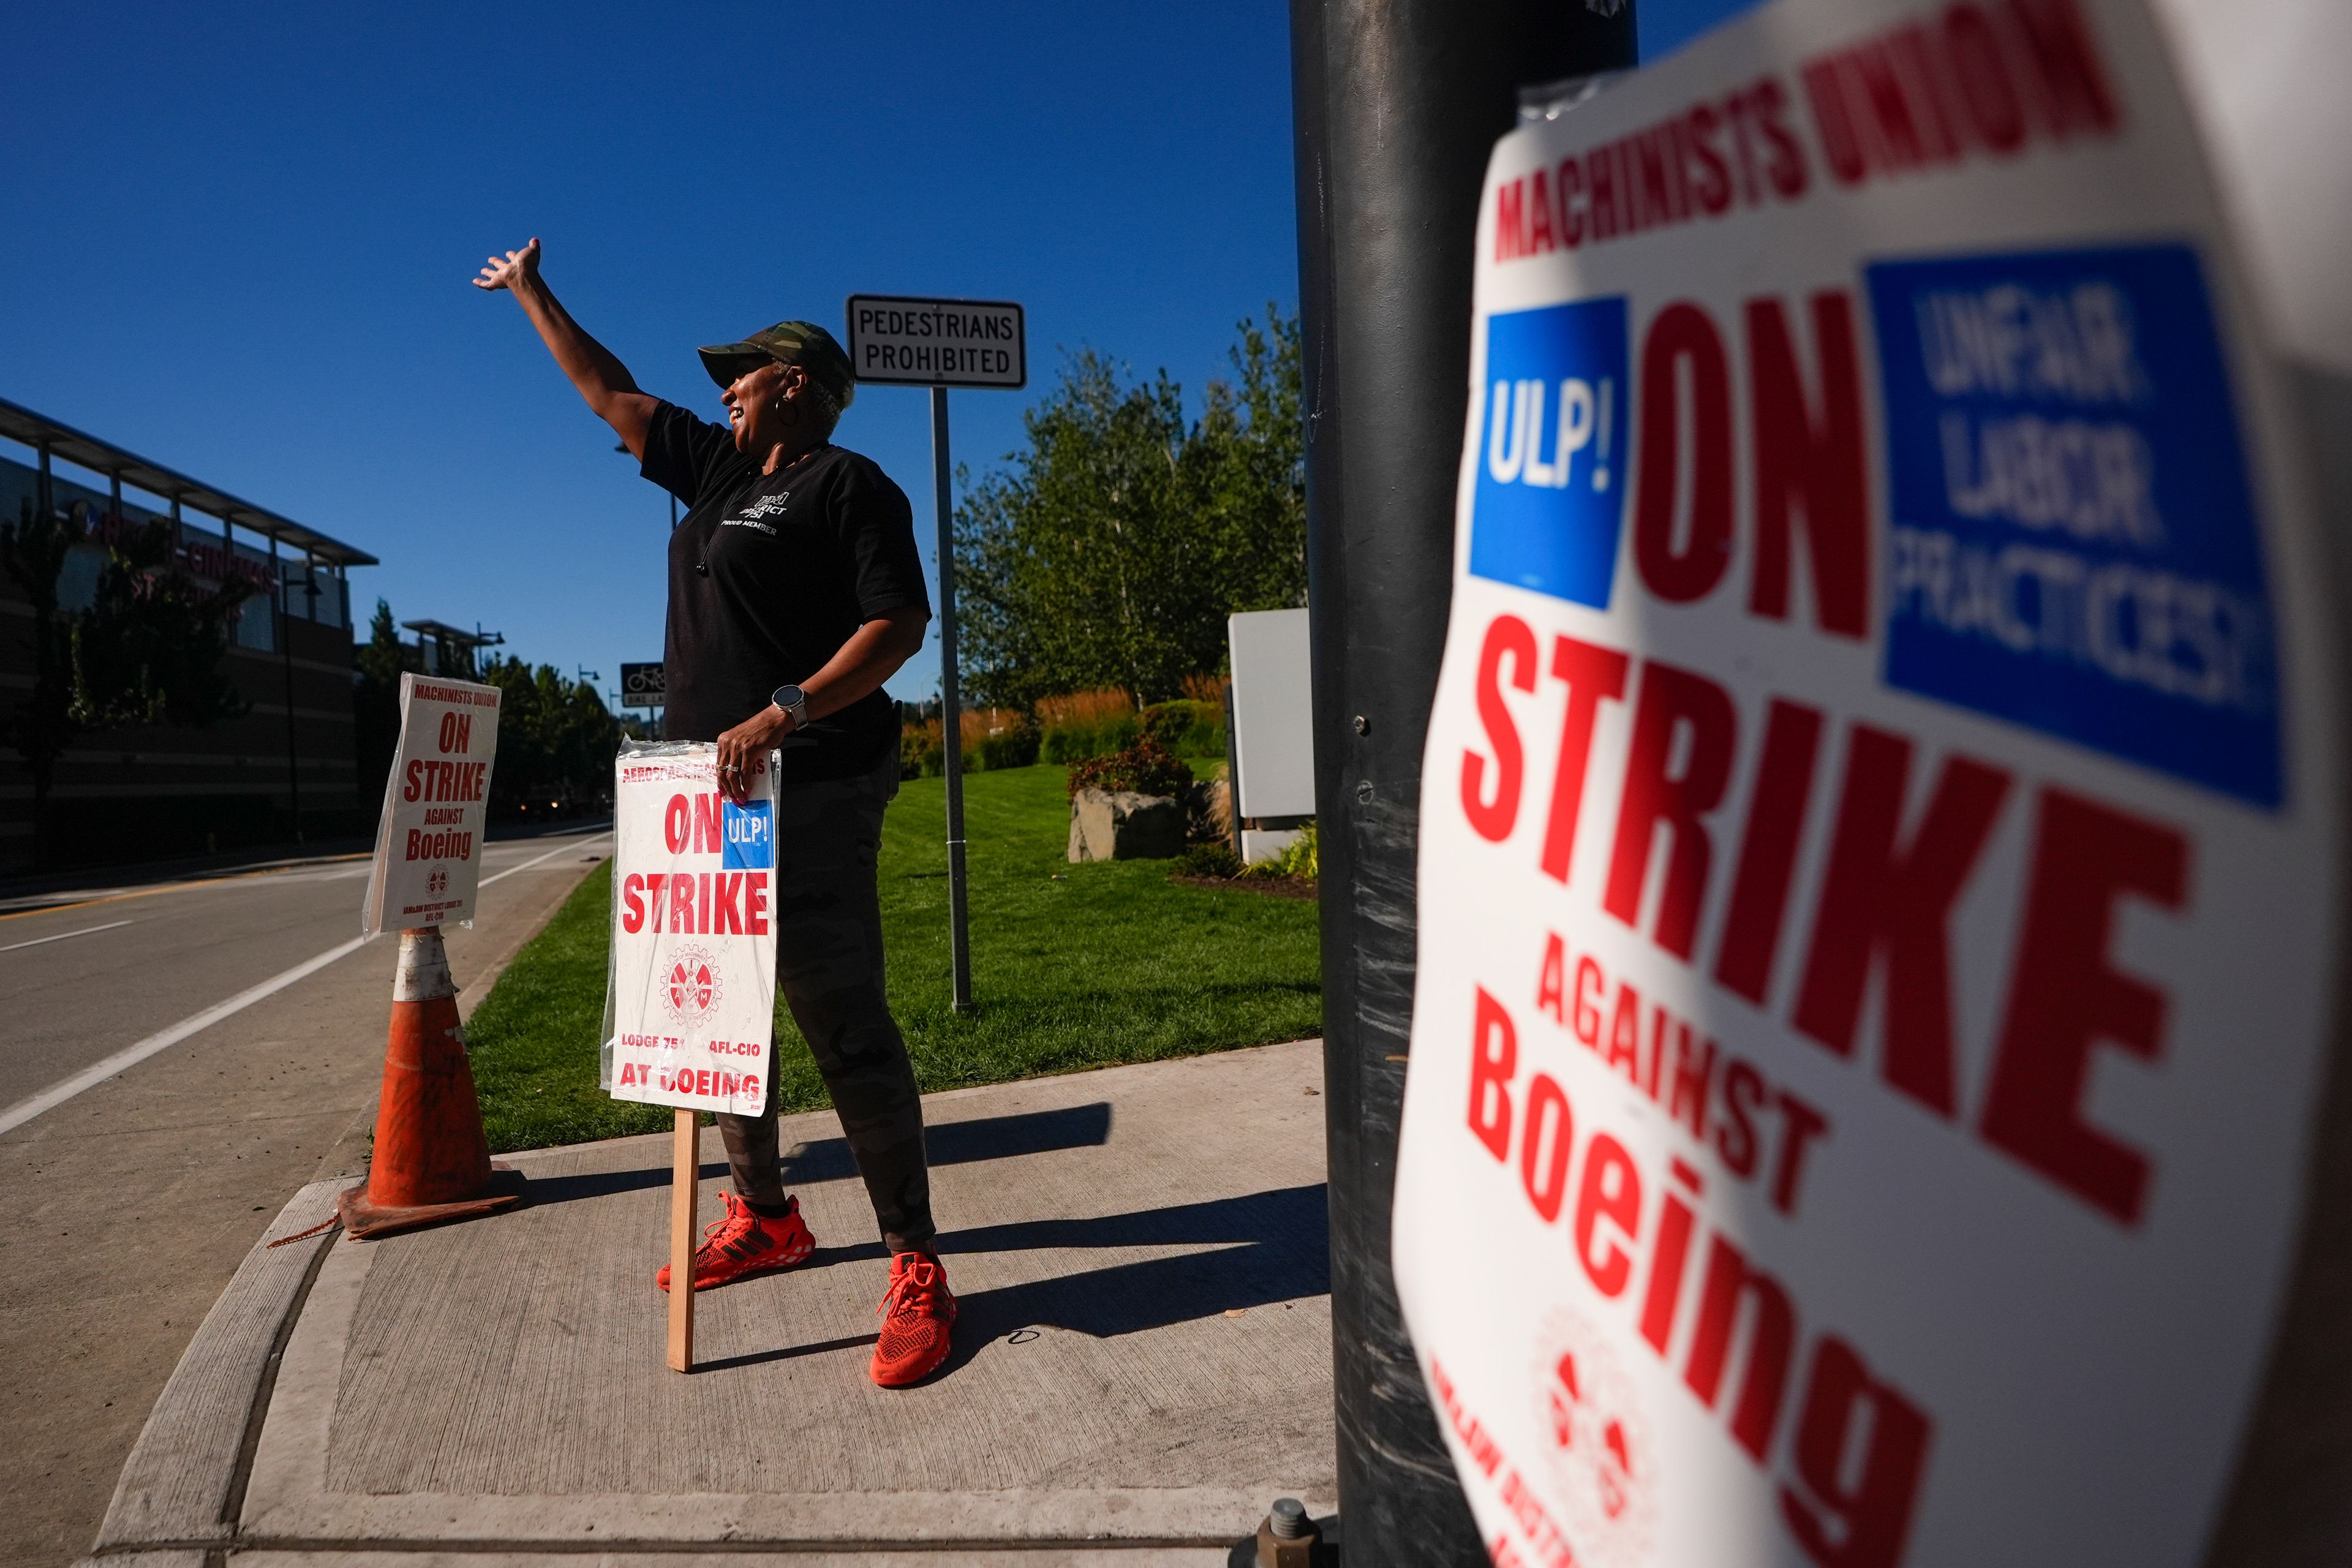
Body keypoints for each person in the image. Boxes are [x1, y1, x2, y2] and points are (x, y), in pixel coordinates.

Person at [475, 236, 954, 1388]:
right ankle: (767, 1216)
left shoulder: (847, 486)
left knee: (840, 1019)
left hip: (819, 782)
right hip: (709, 800)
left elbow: (897, 628)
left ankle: (916, 1259)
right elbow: (608, 393)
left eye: (743, 371)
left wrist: (789, 710)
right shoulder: (716, 475)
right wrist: (535, 293)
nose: (722, 386)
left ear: (796, 382)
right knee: (718, 1027)